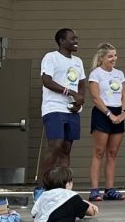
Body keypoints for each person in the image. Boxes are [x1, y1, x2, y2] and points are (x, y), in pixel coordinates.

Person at [38, 28, 85, 193]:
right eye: (72, 38)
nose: (76, 41)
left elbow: (81, 83)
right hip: (54, 107)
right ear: (61, 41)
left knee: (66, 148)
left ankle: (63, 187)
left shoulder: (78, 61)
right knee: (55, 145)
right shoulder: (51, 57)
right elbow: (46, 80)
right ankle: (41, 187)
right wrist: (70, 92)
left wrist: (80, 100)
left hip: (71, 110)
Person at [86, 43, 125, 202]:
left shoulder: (119, 73)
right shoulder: (96, 74)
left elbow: (124, 95)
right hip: (103, 113)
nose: (114, 59)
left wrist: (123, 112)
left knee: (112, 153)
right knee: (99, 152)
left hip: (118, 113)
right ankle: (94, 190)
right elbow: (95, 97)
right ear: (102, 58)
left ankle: (110, 189)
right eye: (110, 56)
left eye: (115, 55)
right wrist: (109, 114)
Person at [31, 166, 98, 222]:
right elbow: (91, 212)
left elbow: (34, 213)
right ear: (67, 184)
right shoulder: (72, 197)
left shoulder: (43, 196)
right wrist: (86, 203)